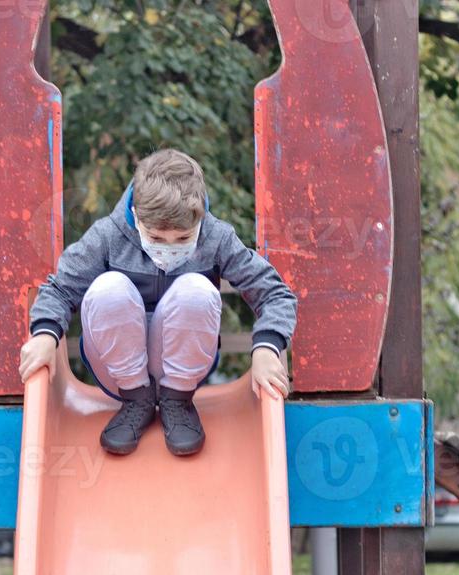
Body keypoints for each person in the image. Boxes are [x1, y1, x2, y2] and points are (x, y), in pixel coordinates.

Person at [17, 149, 296, 456]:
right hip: (117, 366)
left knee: (196, 290)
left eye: (183, 238)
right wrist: (44, 334)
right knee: (109, 288)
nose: (169, 248)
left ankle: (177, 400)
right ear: (136, 216)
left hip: (182, 366)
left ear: (199, 219)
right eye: (157, 238)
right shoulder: (109, 236)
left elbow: (274, 293)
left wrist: (267, 348)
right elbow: (60, 289)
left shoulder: (215, 237)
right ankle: (137, 399)